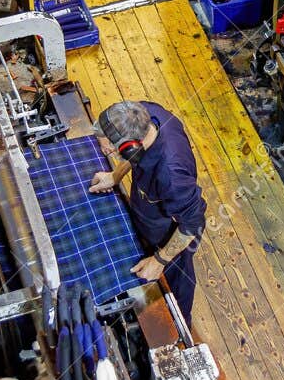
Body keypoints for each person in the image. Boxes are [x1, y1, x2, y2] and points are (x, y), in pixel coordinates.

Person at [88, 100, 205, 325]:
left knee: (176, 287)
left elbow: (193, 222)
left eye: (109, 148)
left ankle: (181, 325)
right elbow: (133, 156)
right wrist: (115, 175)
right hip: (147, 205)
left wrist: (161, 259)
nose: (105, 151)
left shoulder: (171, 175)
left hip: (171, 232)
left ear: (132, 146)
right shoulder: (143, 114)